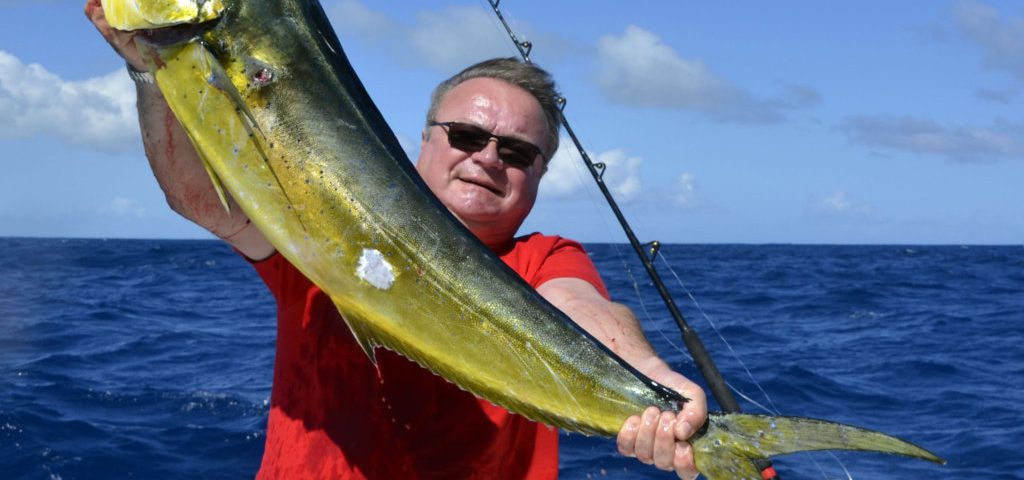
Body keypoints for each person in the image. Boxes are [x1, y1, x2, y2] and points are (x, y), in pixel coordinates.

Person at [86, 2, 708, 478]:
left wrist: (649, 378)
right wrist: (150, 72)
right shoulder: (323, 230)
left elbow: (584, 309)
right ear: (426, 140)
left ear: (540, 174)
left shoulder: (544, 258)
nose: (488, 159)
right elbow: (199, 201)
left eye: (517, 152)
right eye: (466, 135)